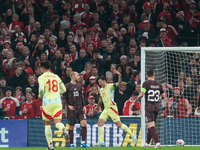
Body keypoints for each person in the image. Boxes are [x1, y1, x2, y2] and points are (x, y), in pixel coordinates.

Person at [94, 71, 137, 147]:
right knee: (100, 123)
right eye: (99, 83)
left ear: (104, 81)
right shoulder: (101, 90)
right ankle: (101, 141)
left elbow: (119, 84)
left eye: (100, 82)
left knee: (119, 124)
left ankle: (132, 134)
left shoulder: (110, 86)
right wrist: (97, 106)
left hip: (112, 108)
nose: (99, 84)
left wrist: (119, 75)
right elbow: (101, 98)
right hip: (106, 109)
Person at [38, 60, 69, 150]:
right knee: (57, 123)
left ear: (42, 68)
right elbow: (63, 90)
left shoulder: (41, 77)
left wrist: (40, 95)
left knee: (47, 124)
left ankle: (50, 146)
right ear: (50, 68)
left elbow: (40, 89)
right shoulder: (56, 76)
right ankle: (63, 128)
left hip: (47, 102)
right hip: (57, 102)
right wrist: (55, 93)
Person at [131, 69, 165, 148]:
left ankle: (157, 143)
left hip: (149, 107)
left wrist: (134, 101)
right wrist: (159, 100)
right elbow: (163, 96)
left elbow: (142, 94)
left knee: (151, 125)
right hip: (156, 107)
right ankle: (147, 143)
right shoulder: (159, 84)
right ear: (154, 75)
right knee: (150, 125)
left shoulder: (145, 84)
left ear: (146, 76)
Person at [63, 72, 89, 148]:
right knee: (71, 127)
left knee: (84, 124)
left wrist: (84, 106)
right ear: (73, 77)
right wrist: (68, 106)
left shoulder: (79, 86)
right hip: (72, 110)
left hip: (80, 108)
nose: (79, 77)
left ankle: (83, 142)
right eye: (78, 75)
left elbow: (82, 97)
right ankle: (72, 144)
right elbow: (63, 98)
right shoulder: (67, 86)